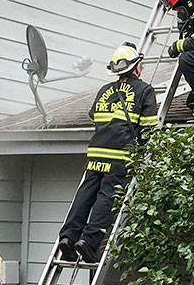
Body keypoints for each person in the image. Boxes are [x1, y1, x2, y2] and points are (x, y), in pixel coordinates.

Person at [57, 43, 158, 263]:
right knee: (107, 197)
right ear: (136, 68)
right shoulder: (144, 90)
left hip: (95, 154)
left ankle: (68, 237)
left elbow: (94, 116)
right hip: (120, 155)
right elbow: (150, 126)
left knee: (85, 195)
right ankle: (89, 242)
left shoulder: (105, 91)